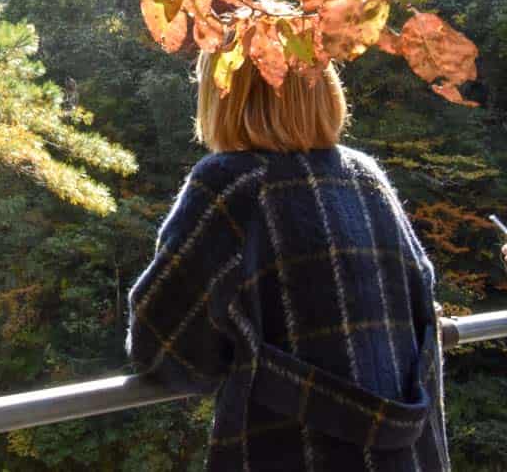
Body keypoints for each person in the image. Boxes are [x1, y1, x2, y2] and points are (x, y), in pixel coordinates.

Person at [127, 49, 449, 471]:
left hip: (295, 452)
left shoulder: (231, 183)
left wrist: (238, 353)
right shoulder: (368, 178)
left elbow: (164, 349)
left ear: (223, 94)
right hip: (406, 455)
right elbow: (423, 303)